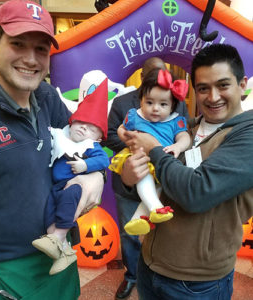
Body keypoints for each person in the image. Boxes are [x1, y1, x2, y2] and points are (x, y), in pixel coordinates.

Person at [0, 1, 104, 299]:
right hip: (6, 269)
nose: (31, 59)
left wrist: (97, 177)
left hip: (60, 253)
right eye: (18, 44)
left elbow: (84, 148)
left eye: (41, 49)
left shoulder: (47, 97)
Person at [120, 44, 253, 300]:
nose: (213, 96)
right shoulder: (185, 128)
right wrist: (129, 176)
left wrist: (155, 151)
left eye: (223, 85)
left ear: (242, 84)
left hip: (197, 282)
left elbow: (198, 193)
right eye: (203, 88)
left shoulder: (246, 136)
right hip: (149, 265)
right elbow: (157, 181)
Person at [103, 57, 189, 300]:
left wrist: (164, 149)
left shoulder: (176, 103)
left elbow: (182, 134)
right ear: (142, 79)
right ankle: (132, 276)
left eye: (164, 76)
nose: (159, 80)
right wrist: (135, 144)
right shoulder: (122, 104)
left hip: (162, 175)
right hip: (127, 181)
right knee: (130, 235)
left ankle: (158, 278)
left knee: (162, 231)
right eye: (154, 75)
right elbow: (109, 136)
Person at [32, 79, 109, 275]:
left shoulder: (92, 146)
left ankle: (59, 237)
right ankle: (64, 252)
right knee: (49, 211)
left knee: (67, 202)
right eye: (81, 122)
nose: (84, 128)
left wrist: (86, 165)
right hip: (56, 186)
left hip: (74, 186)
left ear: (98, 138)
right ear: (72, 121)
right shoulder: (60, 135)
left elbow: (103, 161)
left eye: (92, 128)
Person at [110, 68, 190, 236]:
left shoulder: (175, 121)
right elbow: (120, 128)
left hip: (163, 161)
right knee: (144, 177)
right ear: (141, 101)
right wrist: (125, 136)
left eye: (163, 104)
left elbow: (185, 138)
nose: (155, 109)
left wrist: (178, 146)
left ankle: (139, 218)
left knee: (160, 187)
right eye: (149, 102)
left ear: (172, 106)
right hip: (141, 160)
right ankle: (155, 208)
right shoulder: (135, 116)